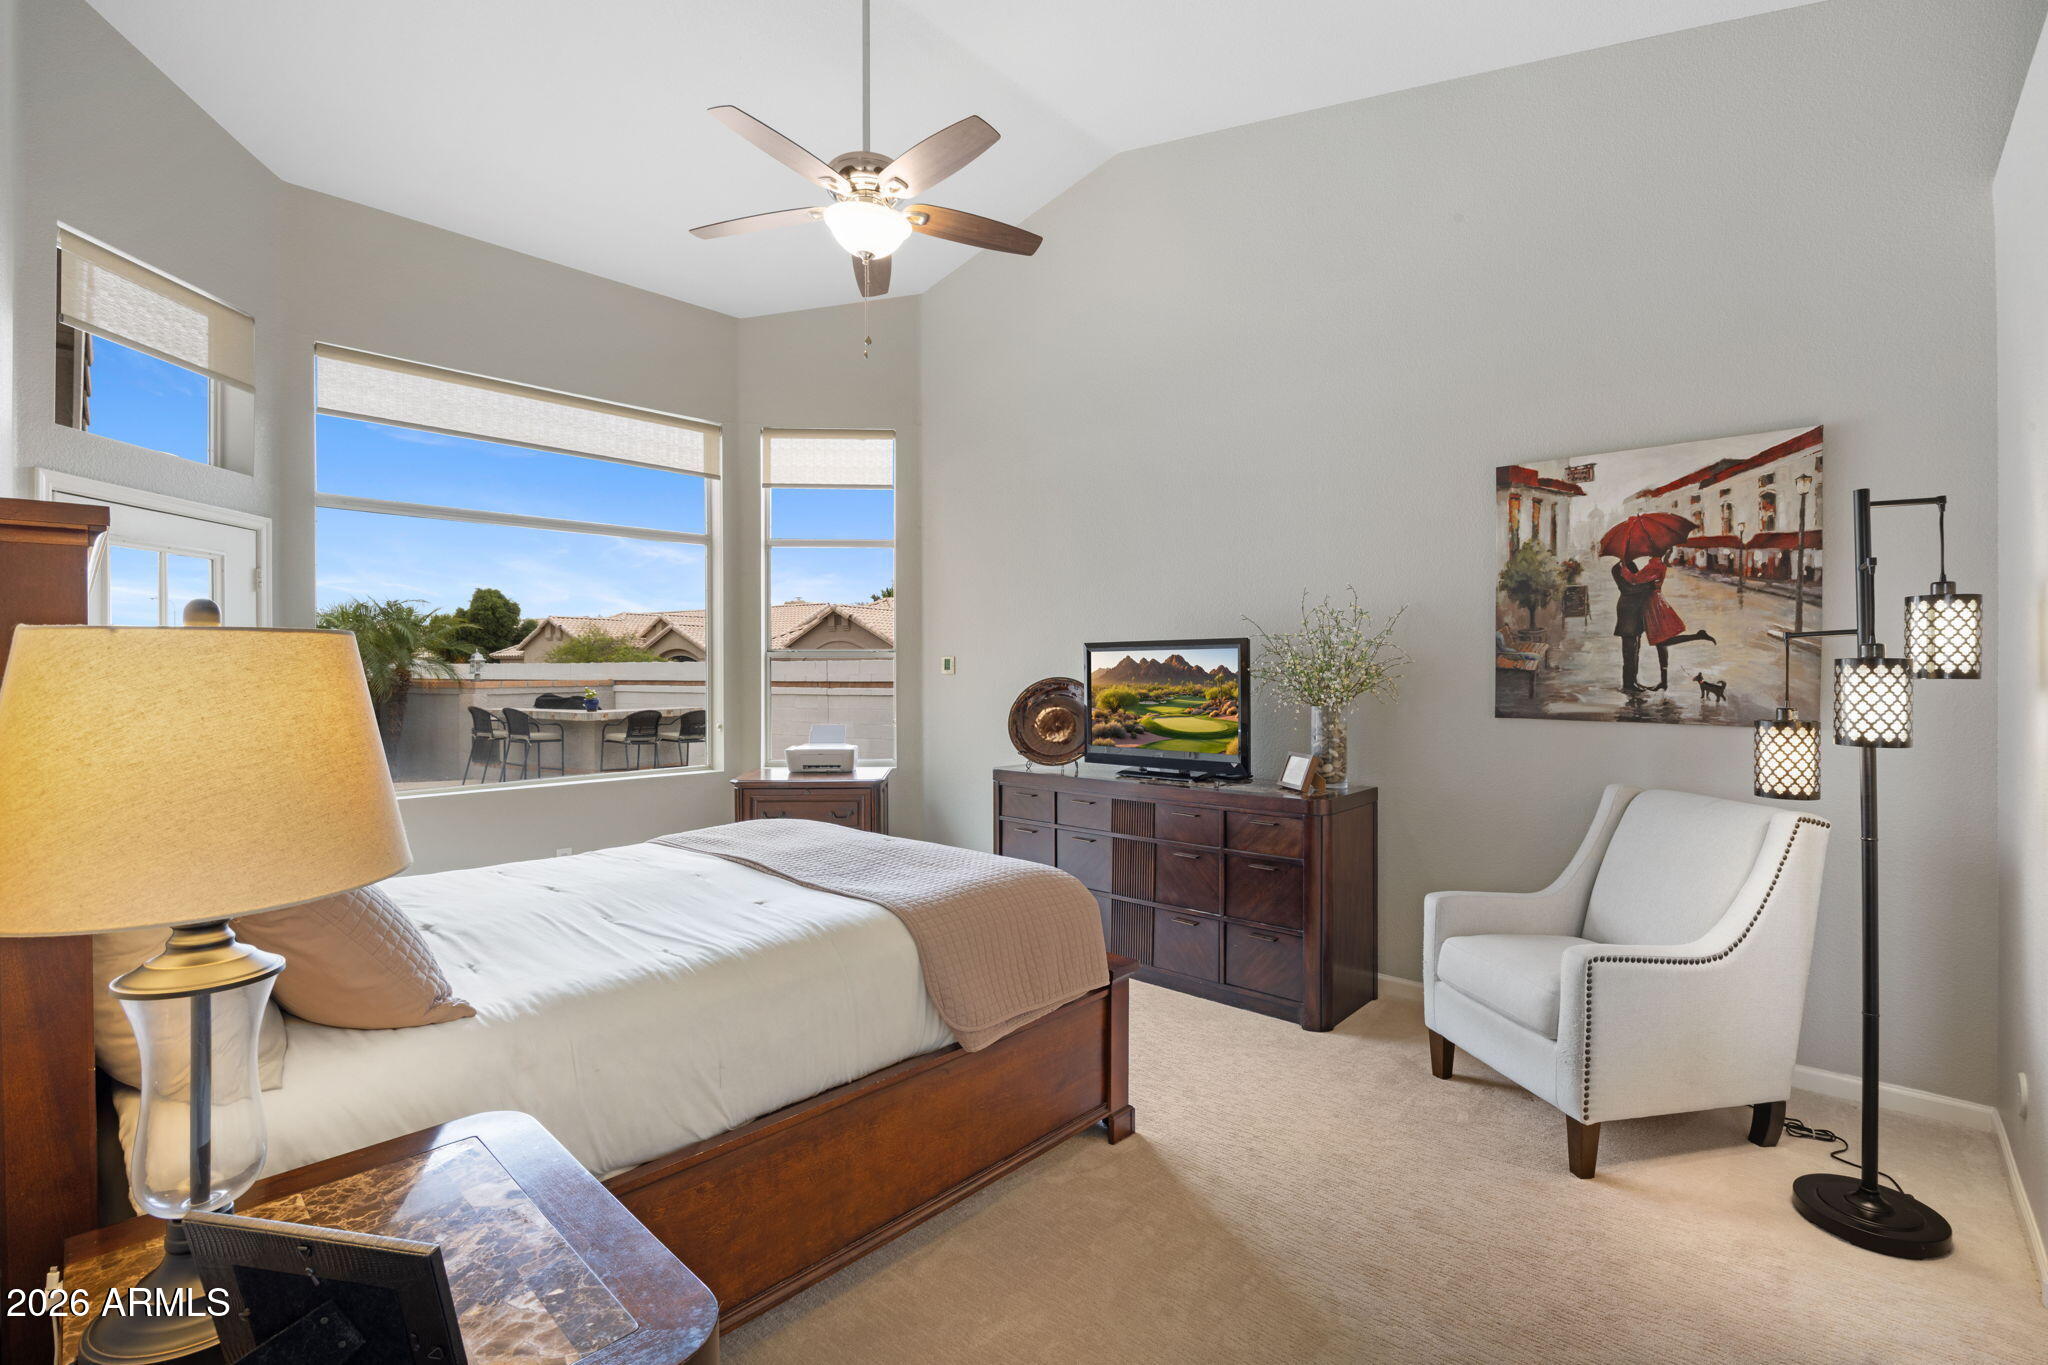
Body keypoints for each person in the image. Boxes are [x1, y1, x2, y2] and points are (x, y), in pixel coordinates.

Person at [1613, 555, 1714, 692]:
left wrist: (1649, 584)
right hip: (1628, 614)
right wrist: (1650, 585)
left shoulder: (1631, 565)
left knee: (1637, 650)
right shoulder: (1616, 569)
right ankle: (1628, 684)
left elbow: (1638, 580)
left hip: (1639, 613)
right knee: (1630, 651)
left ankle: (1634, 682)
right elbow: (1628, 589)